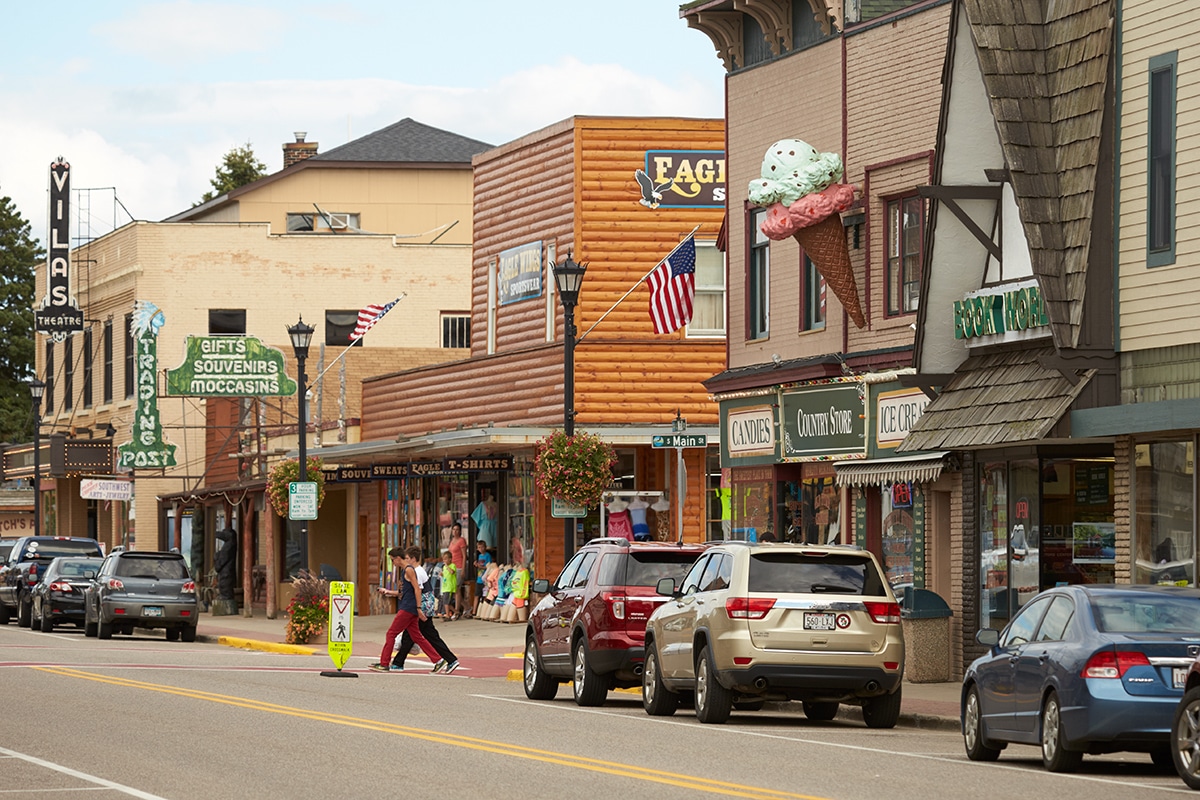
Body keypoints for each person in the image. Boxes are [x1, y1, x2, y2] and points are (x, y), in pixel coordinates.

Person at [370, 547, 443, 673]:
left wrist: (419, 608)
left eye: (393, 560)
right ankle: (438, 660)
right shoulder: (407, 570)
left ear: (398, 558)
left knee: (391, 633)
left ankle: (384, 663)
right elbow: (406, 591)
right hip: (410, 607)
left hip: (408, 608)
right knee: (417, 636)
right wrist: (389, 592)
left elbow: (417, 589)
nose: (393, 563)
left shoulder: (409, 570)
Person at [391, 547, 459, 674]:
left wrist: (417, 608)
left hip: (422, 607)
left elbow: (419, 590)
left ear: (413, 559)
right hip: (420, 606)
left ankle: (449, 660)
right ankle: (398, 662)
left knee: (426, 634)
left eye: (406, 558)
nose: (405, 561)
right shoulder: (415, 570)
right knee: (413, 634)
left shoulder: (417, 571)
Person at [448, 523, 468, 619]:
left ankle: (457, 611)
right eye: (454, 529)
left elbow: (464, 556)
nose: (455, 531)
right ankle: (466, 607)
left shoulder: (461, 541)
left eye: (457, 529)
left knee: (457, 588)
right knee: (454, 590)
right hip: (452, 567)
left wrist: (463, 569)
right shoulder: (452, 541)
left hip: (459, 567)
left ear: (460, 531)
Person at [473, 539, 493, 617]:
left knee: (485, 595)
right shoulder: (479, 556)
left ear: (485, 547)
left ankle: (483, 612)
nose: (480, 549)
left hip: (485, 578)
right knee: (476, 595)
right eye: (479, 547)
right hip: (479, 578)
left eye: (482, 547)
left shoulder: (487, 556)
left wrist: (480, 566)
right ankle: (474, 611)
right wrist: (476, 565)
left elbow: (489, 567)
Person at [439, 550, 457, 620]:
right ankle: (456, 611)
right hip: (445, 586)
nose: (445, 560)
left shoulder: (452, 565)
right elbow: (445, 574)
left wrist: (447, 566)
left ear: (450, 559)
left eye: (446, 559)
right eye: (443, 559)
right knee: (446, 602)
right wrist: (442, 574)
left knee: (446, 602)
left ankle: (447, 615)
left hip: (449, 587)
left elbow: (452, 572)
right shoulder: (444, 567)